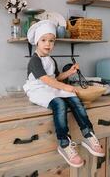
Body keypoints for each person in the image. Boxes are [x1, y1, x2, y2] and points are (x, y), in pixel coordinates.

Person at [23, 20, 105, 168]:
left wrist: (69, 72)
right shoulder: (34, 61)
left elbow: (56, 77)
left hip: (51, 86)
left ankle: (88, 135)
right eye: (44, 40)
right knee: (59, 104)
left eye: (51, 41)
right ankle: (64, 143)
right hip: (38, 89)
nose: (48, 44)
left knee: (74, 98)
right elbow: (46, 80)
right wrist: (65, 87)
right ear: (37, 42)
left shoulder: (51, 59)